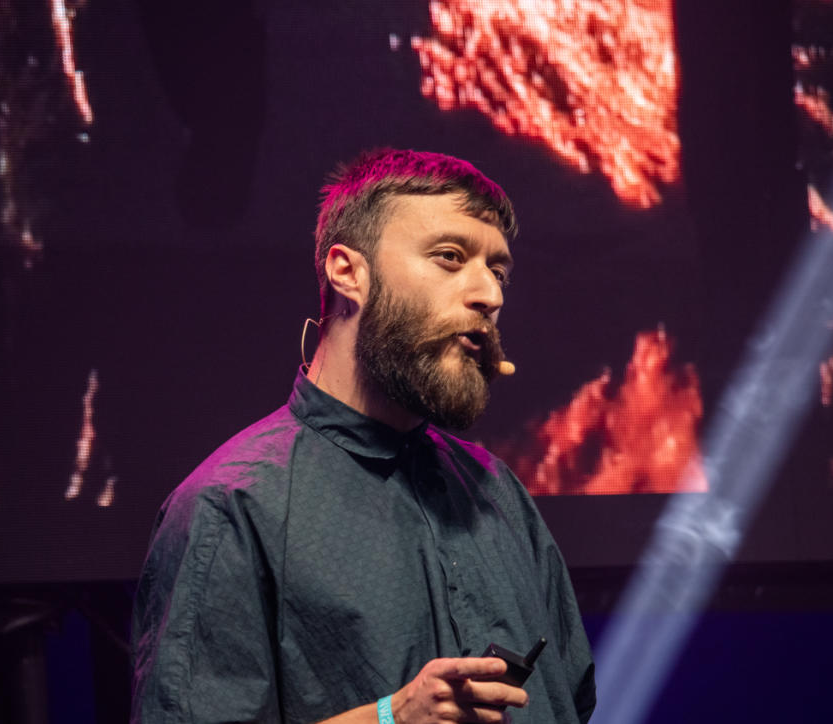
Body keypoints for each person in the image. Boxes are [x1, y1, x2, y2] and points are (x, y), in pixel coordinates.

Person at [131, 149, 596, 723]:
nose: (490, 295)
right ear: (347, 271)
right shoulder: (231, 506)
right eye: (450, 257)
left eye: (497, 271)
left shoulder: (496, 492)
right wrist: (389, 719)